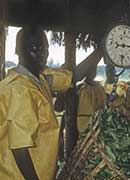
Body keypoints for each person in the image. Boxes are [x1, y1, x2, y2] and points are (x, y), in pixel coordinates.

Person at [0, 26, 103, 180]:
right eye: (34, 48)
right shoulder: (20, 90)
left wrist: (101, 50)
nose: (42, 53)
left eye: (45, 48)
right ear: (18, 51)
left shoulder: (40, 78)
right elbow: (19, 149)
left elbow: (72, 76)